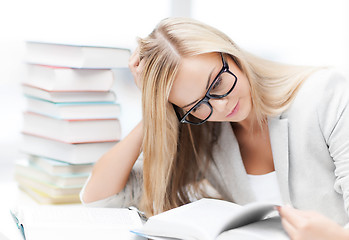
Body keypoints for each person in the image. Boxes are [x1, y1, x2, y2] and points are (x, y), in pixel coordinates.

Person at [80, 17, 349, 239]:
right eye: (197, 104)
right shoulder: (206, 135)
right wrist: (154, 109)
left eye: (217, 84)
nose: (219, 108)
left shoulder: (327, 95)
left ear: (230, 54)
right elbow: (100, 198)